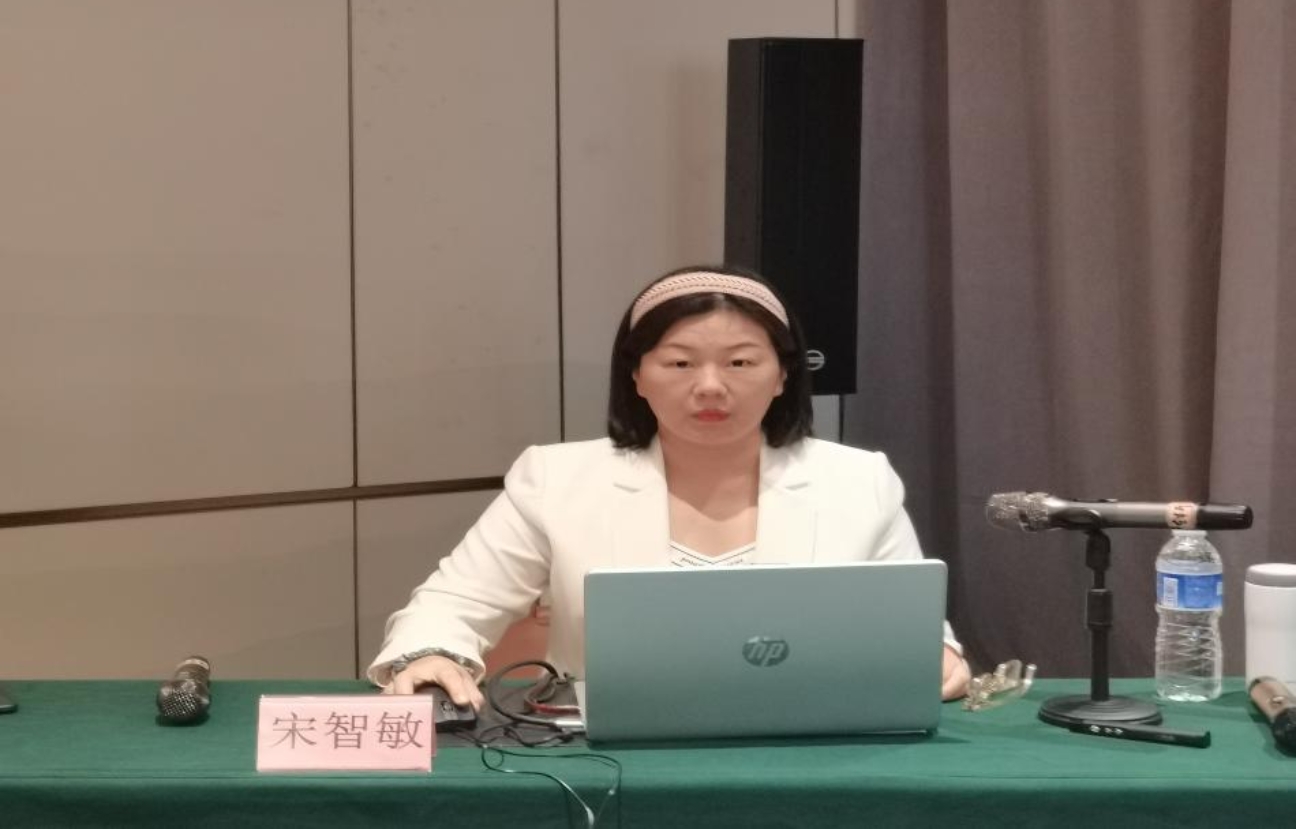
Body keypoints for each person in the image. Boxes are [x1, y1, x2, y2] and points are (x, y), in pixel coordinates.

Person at [369, 265, 971, 709]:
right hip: (606, 753)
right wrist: (430, 654)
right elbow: (452, 604)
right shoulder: (556, 479)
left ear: (783, 375)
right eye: (680, 363)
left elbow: (915, 632)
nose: (710, 386)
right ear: (636, 375)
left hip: (813, 746)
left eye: (740, 363)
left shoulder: (858, 480)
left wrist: (938, 659)